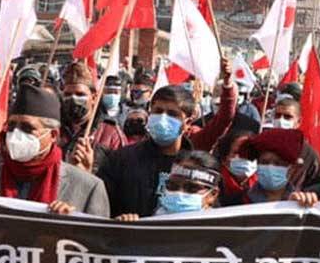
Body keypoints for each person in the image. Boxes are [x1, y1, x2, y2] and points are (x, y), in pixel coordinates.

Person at [0, 85, 109, 216]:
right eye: (11, 126)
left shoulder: (88, 188)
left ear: (53, 135)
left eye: (28, 128)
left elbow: (99, 246)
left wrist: (69, 226)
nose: (16, 133)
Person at [96, 81, 231, 218]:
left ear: (188, 123)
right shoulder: (122, 160)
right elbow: (101, 208)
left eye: (172, 114)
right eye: (158, 111)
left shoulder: (199, 166)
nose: (163, 118)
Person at [58, 61, 100, 170]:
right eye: (68, 94)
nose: (73, 99)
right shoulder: (54, 129)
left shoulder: (109, 134)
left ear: (94, 98)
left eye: (80, 94)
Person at [216, 116, 263, 204]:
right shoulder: (214, 186)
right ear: (224, 159)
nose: (244, 157)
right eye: (237, 152)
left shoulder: (265, 186)